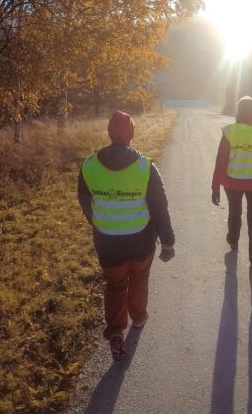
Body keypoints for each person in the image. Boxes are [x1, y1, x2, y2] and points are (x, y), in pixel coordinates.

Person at [77, 110, 175, 361]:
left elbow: (84, 199)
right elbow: (159, 206)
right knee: (139, 278)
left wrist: (97, 221)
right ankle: (139, 317)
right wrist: (168, 241)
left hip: (108, 242)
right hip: (141, 240)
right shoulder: (145, 167)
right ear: (132, 133)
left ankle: (115, 332)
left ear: (110, 132)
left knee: (115, 285)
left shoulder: (89, 165)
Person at [211, 96, 252, 277]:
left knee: (234, 211)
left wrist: (215, 187)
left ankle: (233, 240)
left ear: (238, 110)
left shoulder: (230, 131)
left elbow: (220, 162)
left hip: (233, 182)